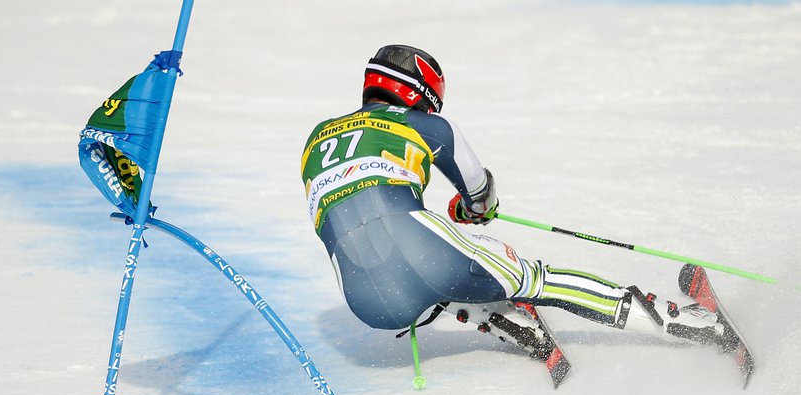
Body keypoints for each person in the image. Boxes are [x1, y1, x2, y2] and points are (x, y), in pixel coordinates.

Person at [299, 44, 724, 363]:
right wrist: (470, 211)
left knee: (432, 267)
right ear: (421, 92)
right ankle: (682, 320)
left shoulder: (316, 139)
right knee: (534, 279)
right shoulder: (424, 124)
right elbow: (479, 194)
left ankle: (508, 320)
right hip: (424, 250)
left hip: (368, 302)